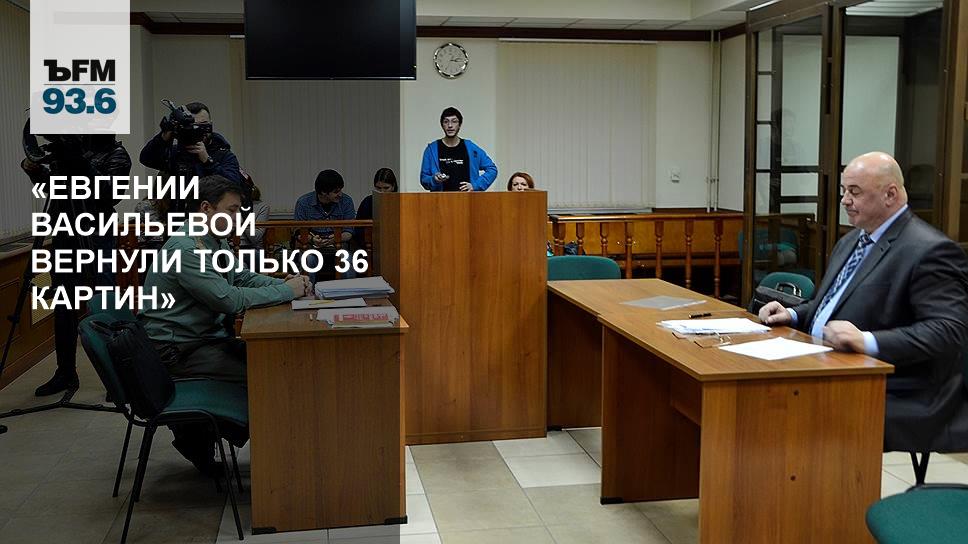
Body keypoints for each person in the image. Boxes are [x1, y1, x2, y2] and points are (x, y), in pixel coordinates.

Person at [758, 151, 968, 453]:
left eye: (854, 192)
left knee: (782, 409)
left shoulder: (929, 250)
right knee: (762, 394)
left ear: (890, 194)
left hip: (896, 387)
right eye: (844, 191)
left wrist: (867, 341)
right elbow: (831, 304)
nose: (845, 200)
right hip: (828, 366)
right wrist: (792, 314)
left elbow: (947, 331)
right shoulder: (852, 240)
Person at [139, 175, 310, 474]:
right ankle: (278, 468)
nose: (237, 217)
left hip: (200, 340)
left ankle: (268, 456)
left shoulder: (211, 240)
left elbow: (241, 277)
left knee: (273, 364)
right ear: (206, 208)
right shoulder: (187, 249)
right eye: (231, 210)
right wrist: (288, 291)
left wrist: (283, 283)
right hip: (177, 350)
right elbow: (228, 300)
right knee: (269, 373)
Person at [20, 134, 131, 396]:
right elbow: (52, 189)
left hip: (97, 233)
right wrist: (34, 170)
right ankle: (65, 373)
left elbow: (109, 194)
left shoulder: (116, 154)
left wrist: (79, 161)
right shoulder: (70, 151)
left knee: (103, 303)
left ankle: (119, 376)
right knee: (63, 305)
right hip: (65, 232)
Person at [139, 101, 243, 188]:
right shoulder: (177, 153)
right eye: (194, 126)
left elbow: (233, 186)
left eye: (204, 125)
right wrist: (163, 137)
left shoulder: (224, 155)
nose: (199, 130)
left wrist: (208, 161)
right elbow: (146, 159)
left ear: (211, 124)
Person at [293, 169, 356, 281]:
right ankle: (308, 290)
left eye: (340, 190)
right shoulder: (303, 202)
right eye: (336, 192)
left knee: (348, 260)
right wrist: (312, 239)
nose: (340, 194)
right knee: (308, 260)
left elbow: (349, 232)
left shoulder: (346, 201)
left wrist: (336, 238)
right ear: (323, 192)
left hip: (339, 247)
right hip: (312, 248)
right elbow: (298, 232)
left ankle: (349, 291)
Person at [420, 107, 497, 192]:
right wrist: (434, 179)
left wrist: (475, 186)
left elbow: (492, 169)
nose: (450, 125)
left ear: (460, 125)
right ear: (442, 125)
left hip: (468, 199)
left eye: (454, 121)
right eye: (446, 122)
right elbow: (424, 179)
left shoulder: (471, 148)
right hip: (440, 199)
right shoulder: (431, 150)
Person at [354, 167, 396, 245]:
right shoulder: (367, 202)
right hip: (370, 243)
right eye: (378, 188)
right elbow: (358, 228)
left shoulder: (400, 202)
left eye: (386, 188)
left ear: (393, 187)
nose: (382, 191)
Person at [239, 184, 269, 250]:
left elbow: (255, 237)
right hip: (231, 247)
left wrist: (243, 218)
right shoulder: (231, 205)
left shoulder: (262, 207)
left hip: (251, 247)